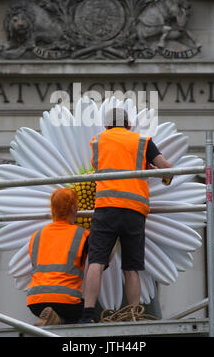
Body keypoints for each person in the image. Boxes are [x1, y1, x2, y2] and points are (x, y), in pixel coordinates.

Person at [80, 107, 173, 323]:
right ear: (129, 125)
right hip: (134, 211)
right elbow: (166, 167)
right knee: (132, 267)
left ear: (106, 126)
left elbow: (105, 167)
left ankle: (87, 313)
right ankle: (133, 314)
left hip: (105, 209)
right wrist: (164, 177)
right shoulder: (143, 141)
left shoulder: (97, 142)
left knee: (96, 261)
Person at [27, 187, 89, 326]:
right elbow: (103, 260)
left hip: (36, 301)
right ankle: (61, 321)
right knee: (86, 318)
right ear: (74, 208)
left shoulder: (36, 236)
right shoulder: (82, 234)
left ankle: (53, 319)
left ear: (53, 209)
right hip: (67, 300)